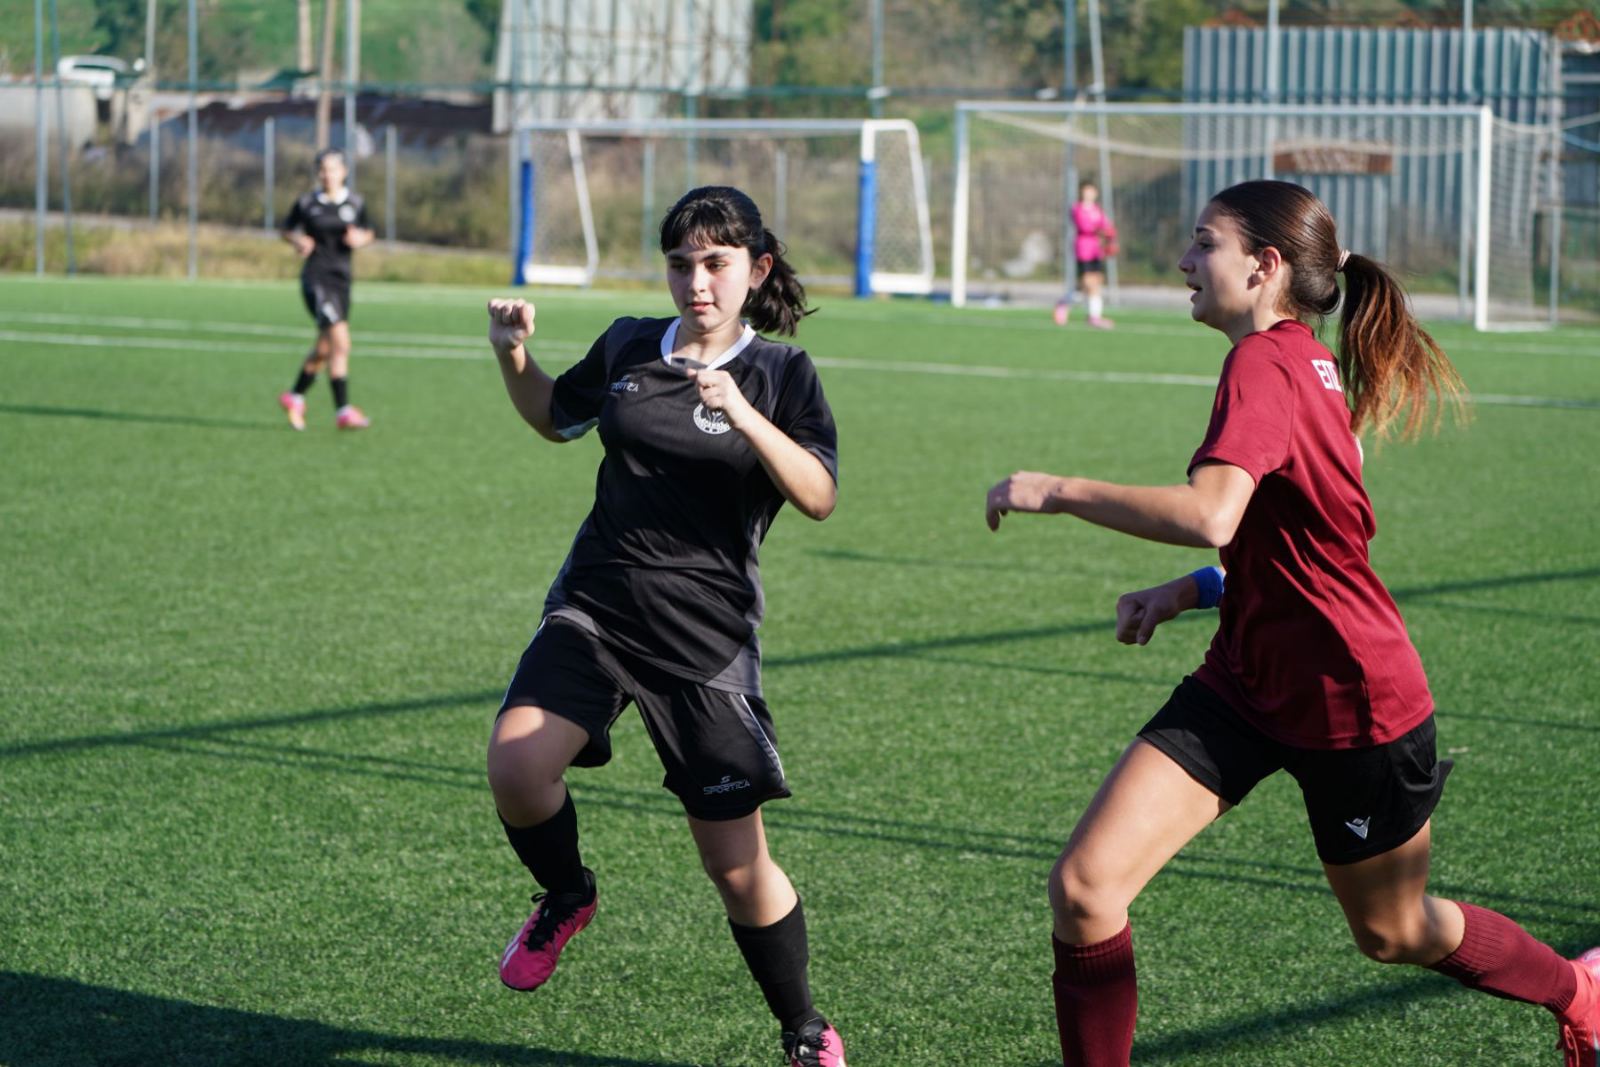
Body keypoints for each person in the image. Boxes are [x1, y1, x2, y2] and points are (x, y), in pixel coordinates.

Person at [986, 179, 1600, 1067]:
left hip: (1353, 700)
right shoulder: (1301, 362)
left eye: (1205, 243)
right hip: (1247, 679)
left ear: (1264, 265)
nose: (1185, 261)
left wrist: (1055, 489)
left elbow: (1214, 512)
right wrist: (1192, 590)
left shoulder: (1267, 364)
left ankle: (1578, 992)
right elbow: (1295, 542)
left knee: (1393, 930)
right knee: (1086, 887)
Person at [483, 185, 847, 1067]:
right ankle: (567, 893)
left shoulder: (783, 373)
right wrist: (513, 354)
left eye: (716, 263)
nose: (697, 282)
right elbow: (554, 418)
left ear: (756, 268)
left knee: (736, 868)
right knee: (518, 763)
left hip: (703, 640)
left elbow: (819, 494)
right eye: (681, 264)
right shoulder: (627, 344)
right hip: (596, 609)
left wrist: (742, 411)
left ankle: (803, 1028)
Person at [277, 148, 374, 431]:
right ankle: (343, 411)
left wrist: (361, 239)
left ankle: (295, 396)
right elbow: (287, 230)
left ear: (343, 172)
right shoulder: (307, 203)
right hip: (316, 279)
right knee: (341, 343)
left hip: (341, 280)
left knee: (324, 347)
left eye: (332, 169)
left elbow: (369, 231)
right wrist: (297, 240)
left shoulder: (355, 202)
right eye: (321, 169)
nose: (326, 174)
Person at [1053, 179, 1116, 330]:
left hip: (1096, 249)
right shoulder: (1077, 208)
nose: (1089, 194)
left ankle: (1067, 304)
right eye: (1086, 191)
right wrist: (1102, 231)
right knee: (1089, 282)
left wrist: (1110, 238)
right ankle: (1092, 317)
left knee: (1094, 283)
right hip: (1084, 248)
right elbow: (1085, 226)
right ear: (1082, 193)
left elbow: (1107, 225)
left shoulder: (1097, 209)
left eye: (1091, 191)